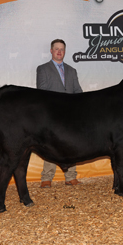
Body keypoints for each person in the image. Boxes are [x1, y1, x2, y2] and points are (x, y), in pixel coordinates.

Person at [37, 39, 83, 188]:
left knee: (71, 144)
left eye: (62, 49)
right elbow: (42, 93)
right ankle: (47, 178)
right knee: (50, 144)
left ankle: (70, 177)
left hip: (70, 115)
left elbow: (78, 92)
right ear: (51, 51)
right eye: (56, 49)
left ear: (64, 51)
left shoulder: (72, 70)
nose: (59, 51)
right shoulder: (42, 69)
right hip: (52, 114)